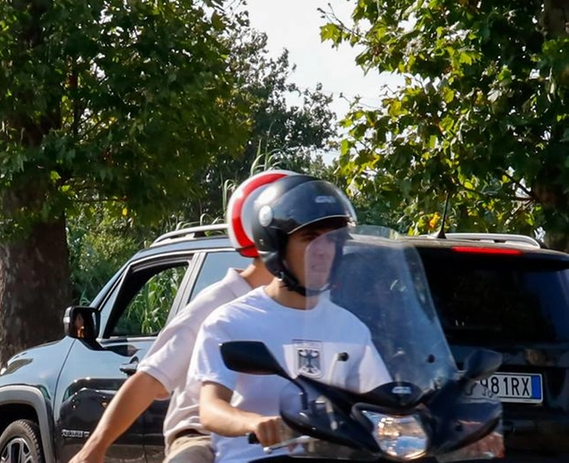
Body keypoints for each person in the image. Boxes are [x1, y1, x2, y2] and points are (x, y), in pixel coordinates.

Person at [67, 170, 297, 463]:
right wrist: (94, 449)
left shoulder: (314, 308)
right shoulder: (219, 304)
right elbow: (149, 379)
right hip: (204, 435)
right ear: (267, 234)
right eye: (299, 231)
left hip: (291, 436)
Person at [191, 176, 390, 463]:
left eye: (331, 240)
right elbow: (210, 408)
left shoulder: (350, 327)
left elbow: (381, 406)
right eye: (310, 239)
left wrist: (453, 429)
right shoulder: (231, 321)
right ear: (276, 247)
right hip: (257, 458)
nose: (323, 251)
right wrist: (254, 422)